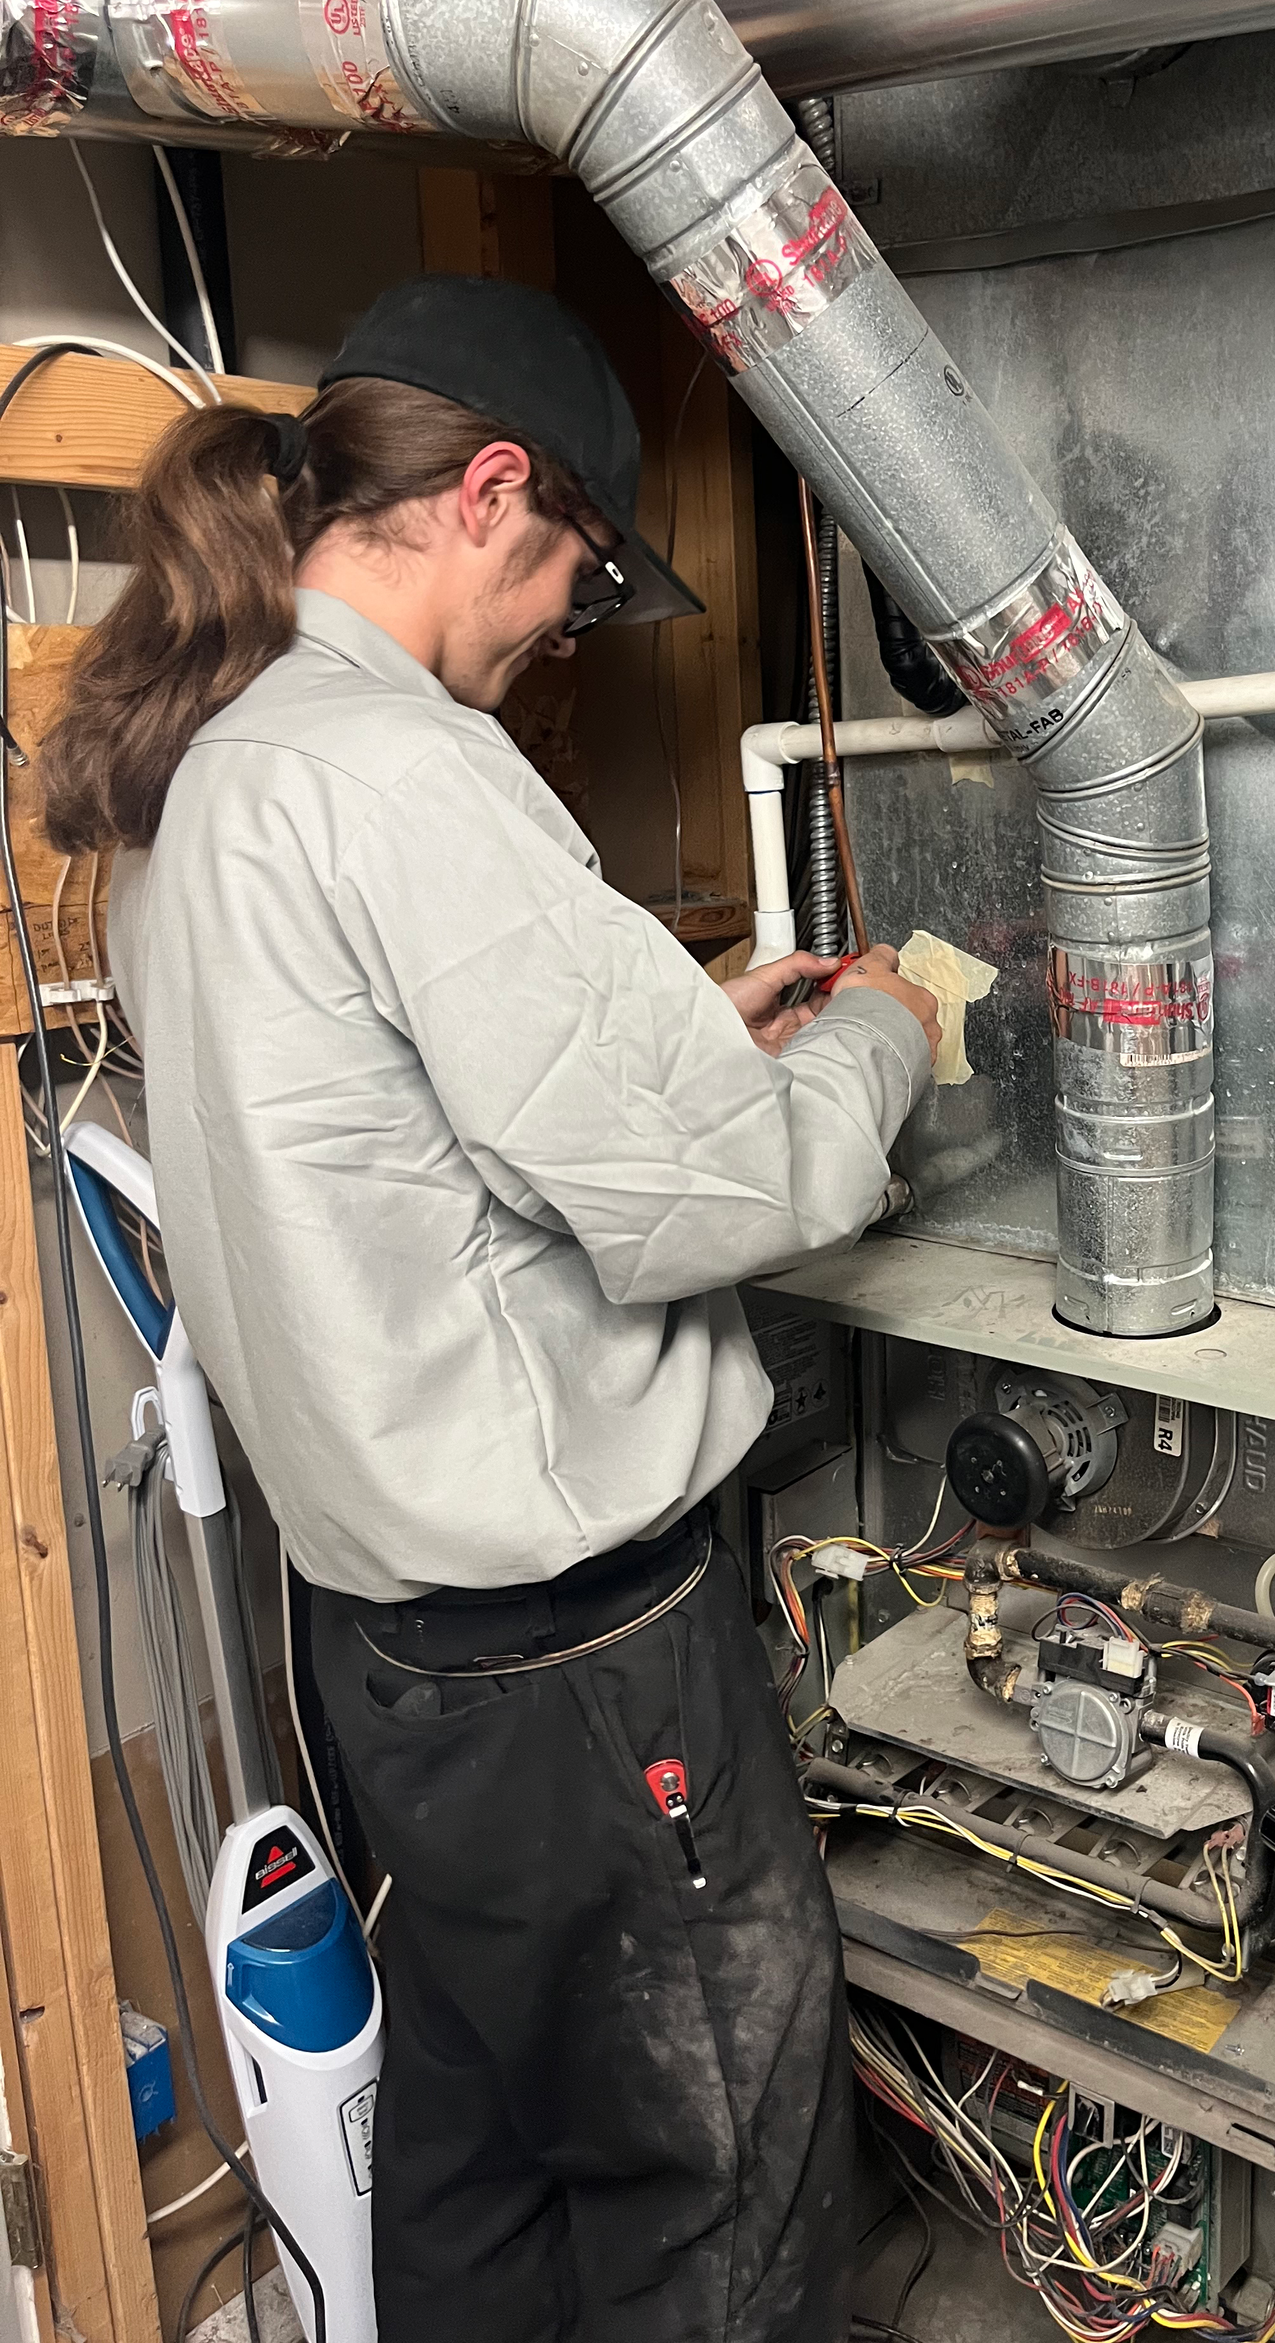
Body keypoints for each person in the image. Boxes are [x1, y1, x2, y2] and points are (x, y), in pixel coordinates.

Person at [38, 275, 940, 2343]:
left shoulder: (223, 768)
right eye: (577, 574)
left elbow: (380, 1134)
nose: (558, 629)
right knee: (723, 2176)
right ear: (495, 492)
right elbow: (744, 1182)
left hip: (400, 1669)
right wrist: (873, 1033)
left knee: (478, 2164)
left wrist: (692, 1026)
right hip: (583, 1674)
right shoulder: (403, 766)